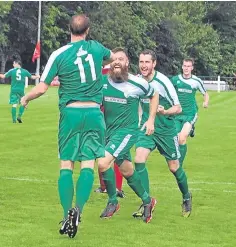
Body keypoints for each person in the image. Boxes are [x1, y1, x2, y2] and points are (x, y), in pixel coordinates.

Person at [21, 14, 116, 238]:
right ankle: (78, 212)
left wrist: (26, 99)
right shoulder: (96, 48)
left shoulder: (59, 54)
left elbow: (43, 88)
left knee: (66, 164)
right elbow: (112, 58)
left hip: (71, 112)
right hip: (93, 111)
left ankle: (66, 215)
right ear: (88, 30)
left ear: (69, 30)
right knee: (87, 165)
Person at [97, 47, 159, 223]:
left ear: (127, 63)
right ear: (109, 63)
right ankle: (148, 201)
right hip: (109, 132)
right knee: (127, 170)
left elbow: (154, 95)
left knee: (102, 162)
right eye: (114, 59)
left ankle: (112, 201)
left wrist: (151, 120)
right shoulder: (102, 82)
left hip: (127, 132)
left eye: (121, 59)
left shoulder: (137, 83)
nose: (117, 61)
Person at [133, 49, 192, 218]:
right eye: (141, 62)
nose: (143, 66)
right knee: (138, 160)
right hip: (147, 128)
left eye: (147, 62)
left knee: (174, 167)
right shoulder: (138, 81)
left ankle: (187, 196)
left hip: (166, 130)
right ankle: (146, 202)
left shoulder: (163, 82)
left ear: (154, 63)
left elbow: (178, 107)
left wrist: (164, 111)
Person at [170, 58, 209, 167]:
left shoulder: (196, 81)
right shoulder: (175, 80)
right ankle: (191, 130)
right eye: (185, 66)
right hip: (177, 115)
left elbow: (205, 94)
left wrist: (205, 102)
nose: (186, 68)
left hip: (190, 114)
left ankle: (179, 165)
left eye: (188, 66)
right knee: (176, 140)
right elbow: (168, 93)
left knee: (182, 138)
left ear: (192, 68)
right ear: (182, 67)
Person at [94, 66, 125, 198]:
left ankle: (107, 187)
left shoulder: (100, 74)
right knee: (113, 155)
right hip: (111, 121)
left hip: (107, 121)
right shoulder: (120, 74)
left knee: (104, 154)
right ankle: (113, 187)